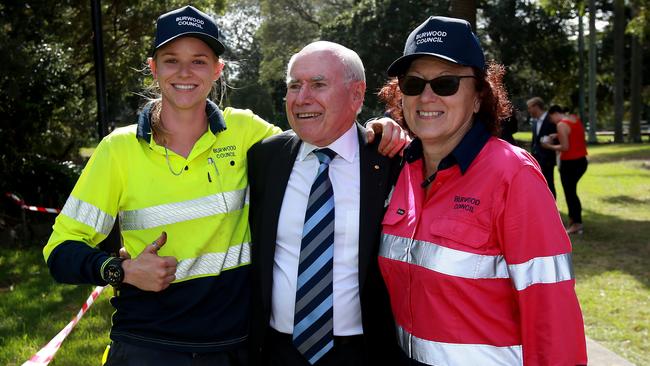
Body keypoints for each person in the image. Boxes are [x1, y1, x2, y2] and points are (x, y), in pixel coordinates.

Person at [43, 5, 284, 365]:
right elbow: (60, 251)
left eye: (199, 61)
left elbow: (313, 145)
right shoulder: (118, 150)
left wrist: (374, 129)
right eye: (171, 60)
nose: (185, 72)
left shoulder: (247, 130)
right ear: (153, 68)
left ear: (218, 70)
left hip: (233, 346)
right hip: (146, 346)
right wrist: (120, 270)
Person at [378, 16, 587, 365]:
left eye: (445, 84)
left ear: (478, 97)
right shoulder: (400, 169)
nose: (426, 96)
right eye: (413, 84)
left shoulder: (513, 175)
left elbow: (551, 309)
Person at [247, 41, 402, 366]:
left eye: (318, 84)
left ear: (357, 95)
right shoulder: (265, 159)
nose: (302, 98)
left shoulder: (390, 162)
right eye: (294, 85)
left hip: (363, 353)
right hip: (275, 352)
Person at [543, 105, 589, 234]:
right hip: (582, 161)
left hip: (570, 163)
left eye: (551, 118)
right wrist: (557, 135)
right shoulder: (574, 118)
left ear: (555, 113)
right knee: (572, 192)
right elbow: (573, 134)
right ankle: (574, 220)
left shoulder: (561, 125)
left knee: (570, 194)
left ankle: (576, 223)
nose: (552, 121)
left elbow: (565, 147)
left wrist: (548, 146)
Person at [527, 96, 558, 198]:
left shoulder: (551, 119)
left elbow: (558, 137)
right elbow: (534, 141)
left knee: (549, 183)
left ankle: (552, 207)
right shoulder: (535, 122)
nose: (529, 110)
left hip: (548, 159)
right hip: (536, 159)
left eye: (530, 107)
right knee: (538, 185)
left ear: (536, 106)